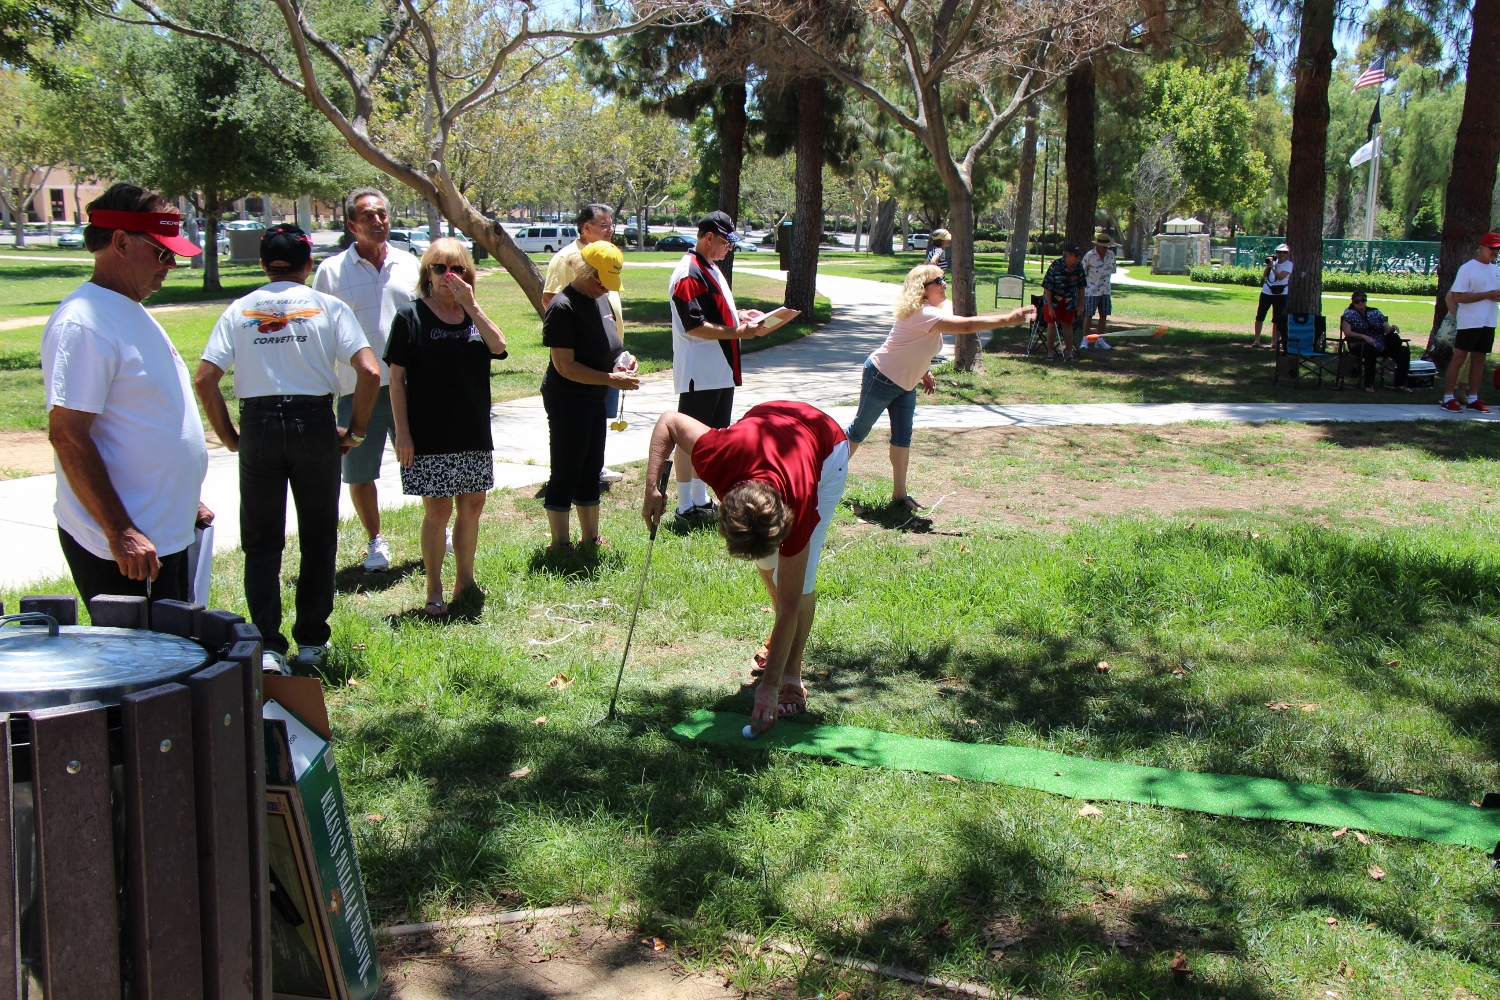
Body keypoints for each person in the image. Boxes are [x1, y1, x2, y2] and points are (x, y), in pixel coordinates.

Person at [195, 225, 380, 673]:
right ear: (308, 264)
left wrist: (229, 435)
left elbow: (204, 378)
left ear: (263, 265)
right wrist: (354, 431)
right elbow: (370, 372)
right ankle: (312, 641)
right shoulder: (328, 306)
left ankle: (270, 647)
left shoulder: (240, 310)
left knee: (262, 542)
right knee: (319, 538)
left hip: (258, 424)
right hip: (314, 422)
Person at [41, 183, 212, 607]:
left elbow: (141, 417)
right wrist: (119, 531)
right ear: (120, 241)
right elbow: (67, 435)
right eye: (161, 252)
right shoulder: (85, 321)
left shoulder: (128, 309)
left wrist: (182, 496)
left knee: (177, 658)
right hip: (125, 548)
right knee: (145, 669)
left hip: (160, 533)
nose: (171, 264)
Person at [642, 401, 849, 735]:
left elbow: (790, 607)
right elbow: (668, 421)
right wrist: (653, 485)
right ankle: (777, 647)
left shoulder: (799, 501)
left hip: (826, 448)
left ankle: (792, 676)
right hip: (766, 422)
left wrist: (769, 688)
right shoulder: (716, 456)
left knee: (798, 582)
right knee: (770, 565)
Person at [847, 265, 1033, 509]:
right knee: (859, 430)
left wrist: (924, 371)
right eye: (938, 280)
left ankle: (900, 496)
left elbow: (914, 346)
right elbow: (967, 326)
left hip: (905, 383)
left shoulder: (930, 312)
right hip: (882, 376)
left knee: (903, 437)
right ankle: (819, 479)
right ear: (922, 289)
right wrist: (1007, 319)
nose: (945, 283)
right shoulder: (922, 313)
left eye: (944, 278)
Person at [387, 238, 507, 615]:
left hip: (472, 431)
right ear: (427, 274)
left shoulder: (473, 316)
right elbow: (395, 381)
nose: (446, 276)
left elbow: (499, 346)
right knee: (437, 513)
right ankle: (434, 588)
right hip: (429, 433)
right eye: (438, 268)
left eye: (455, 269)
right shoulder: (409, 317)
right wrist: (403, 434)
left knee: (472, 506)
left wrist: (471, 305)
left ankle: (465, 581)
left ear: (468, 275)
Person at [312, 187, 421, 571]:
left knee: (424, 461)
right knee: (359, 471)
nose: (377, 221)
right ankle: (375, 541)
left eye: (382, 214)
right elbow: (319, 330)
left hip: (411, 386)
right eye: (368, 216)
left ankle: (436, 529)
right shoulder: (330, 272)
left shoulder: (410, 264)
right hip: (357, 389)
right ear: (351, 224)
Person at [668, 211, 769, 519]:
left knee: (711, 437)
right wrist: (738, 331)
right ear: (708, 237)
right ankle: (685, 504)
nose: (729, 247)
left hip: (720, 370)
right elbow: (694, 326)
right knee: (689, 440)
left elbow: (717, 313)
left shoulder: (710, 267)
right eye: (726, 241)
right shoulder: (689, 272)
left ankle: (699, 498)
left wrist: (742, 316)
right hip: (700, 371)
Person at [541, 242, 640, 550]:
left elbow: (608, 345)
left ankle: (590, 538)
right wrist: (610, 379)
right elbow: (565, 366)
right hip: (568, 399)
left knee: (592, 466)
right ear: (584, 271)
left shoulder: (601, 300)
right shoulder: (563, 307)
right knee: (566, 469)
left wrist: (624, 359)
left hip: (595, 397)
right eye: (600, 281)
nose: (603, 289)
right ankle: (560, 544)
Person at [543, 203, 626, 485]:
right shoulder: (567, 257)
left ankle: (594, 467)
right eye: (604, 225)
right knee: (571, 445)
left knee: (598, 420)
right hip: (577, 363)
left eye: (611, 224)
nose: (610, 229)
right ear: (586, 228)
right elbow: (550, 302)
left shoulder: (609, 257)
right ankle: (577, 471)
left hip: (606, 357)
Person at [1440, 232, 1500, 412]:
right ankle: (1448, 397)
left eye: (1498, 250)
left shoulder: (1496, 270)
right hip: (1469, 321)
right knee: (1459, 358)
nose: (1495, 252)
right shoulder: (1467, 268)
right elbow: (1457, 296)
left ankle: (1473, 398)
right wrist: (1486, 295)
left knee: (1479, 359)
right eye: (1492, 249)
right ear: (1481, 248)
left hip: (1488, 321)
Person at [1340, 291, 1412, 394]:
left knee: (1403, 351)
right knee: (1370, 351)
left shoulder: (1375, 312)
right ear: (1353, 302)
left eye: (1363, 300)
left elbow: (1386, 329)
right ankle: (1369, 384)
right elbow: (1347, 332)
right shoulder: (1349, 313)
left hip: (1380, 344)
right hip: (1359, 344)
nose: (1360, 303)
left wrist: (1392, 328)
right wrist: (1364, 337)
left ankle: (1401, 384)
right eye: (1357, 301)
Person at [1041, 242, 1086, 361]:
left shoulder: (1078, 266)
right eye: (1076, 256)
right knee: (1052, 325)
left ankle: (1069, 354)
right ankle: (1050, 352)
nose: (1078, 258)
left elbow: (1082, 287)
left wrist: (1081, 304)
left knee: (1068, 325)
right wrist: (1050, 307)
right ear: (1068, 255)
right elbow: (1047, 287)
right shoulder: (1056, 265)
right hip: (1054, 301)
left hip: (1070, 301)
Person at [1079, 232, 1116, 350]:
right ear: (1098, 245)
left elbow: (1112, 271)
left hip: (1105, 290)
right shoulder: (1089, 256)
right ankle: (1085, 339)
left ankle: (1099, 339)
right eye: (1103, 246)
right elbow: (1082, 273)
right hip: (1091, 290)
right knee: (1088, 315)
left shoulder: (1111, 255)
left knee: (1103, 315)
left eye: (1107, 247)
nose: (1105, 249)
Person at [1252, 244, 1293, 348]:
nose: (1282, 254)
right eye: (1279, 252)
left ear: (1287, 254)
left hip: (1280, 293)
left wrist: (1273, 267)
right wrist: (1268, 265)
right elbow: (1265, 275)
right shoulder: (1273, 263)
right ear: (1276, 253)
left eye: (1284, 252)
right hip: (1267, 291)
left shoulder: (1288, 264)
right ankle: (1257, 340)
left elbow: (1280, 277)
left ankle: (1274, 341)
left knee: (1277, 318)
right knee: (1260, 316)